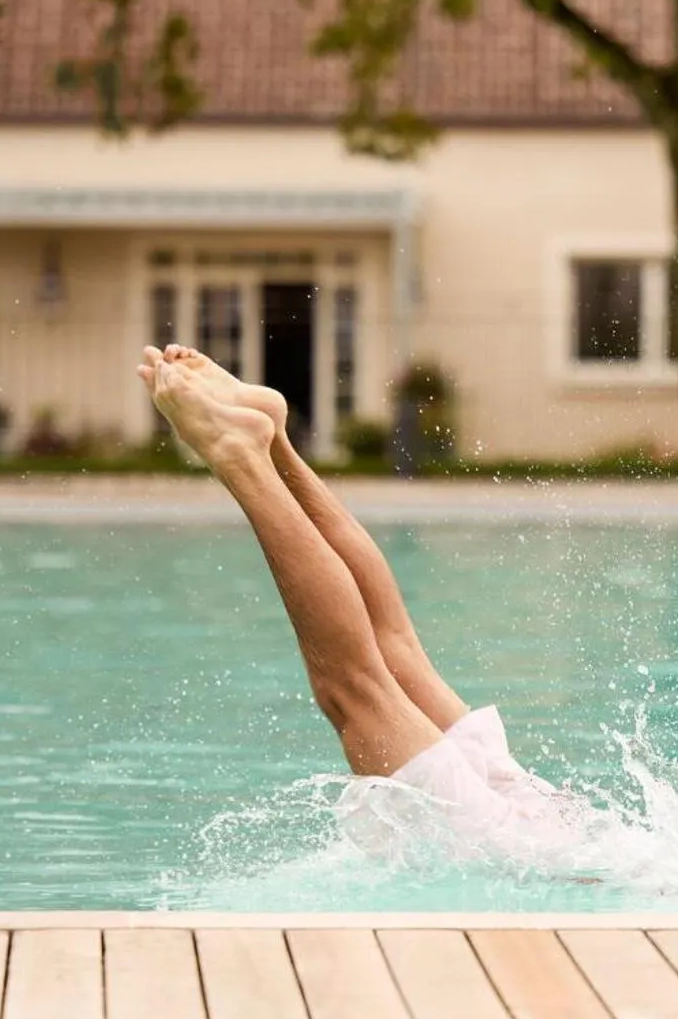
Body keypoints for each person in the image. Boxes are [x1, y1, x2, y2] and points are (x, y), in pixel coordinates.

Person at [137, 345, 582, 861]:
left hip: (558, 829)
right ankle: (242, 456)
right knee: (355, 689)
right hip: (523, 854)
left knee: (396, 651)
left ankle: (276, 445)